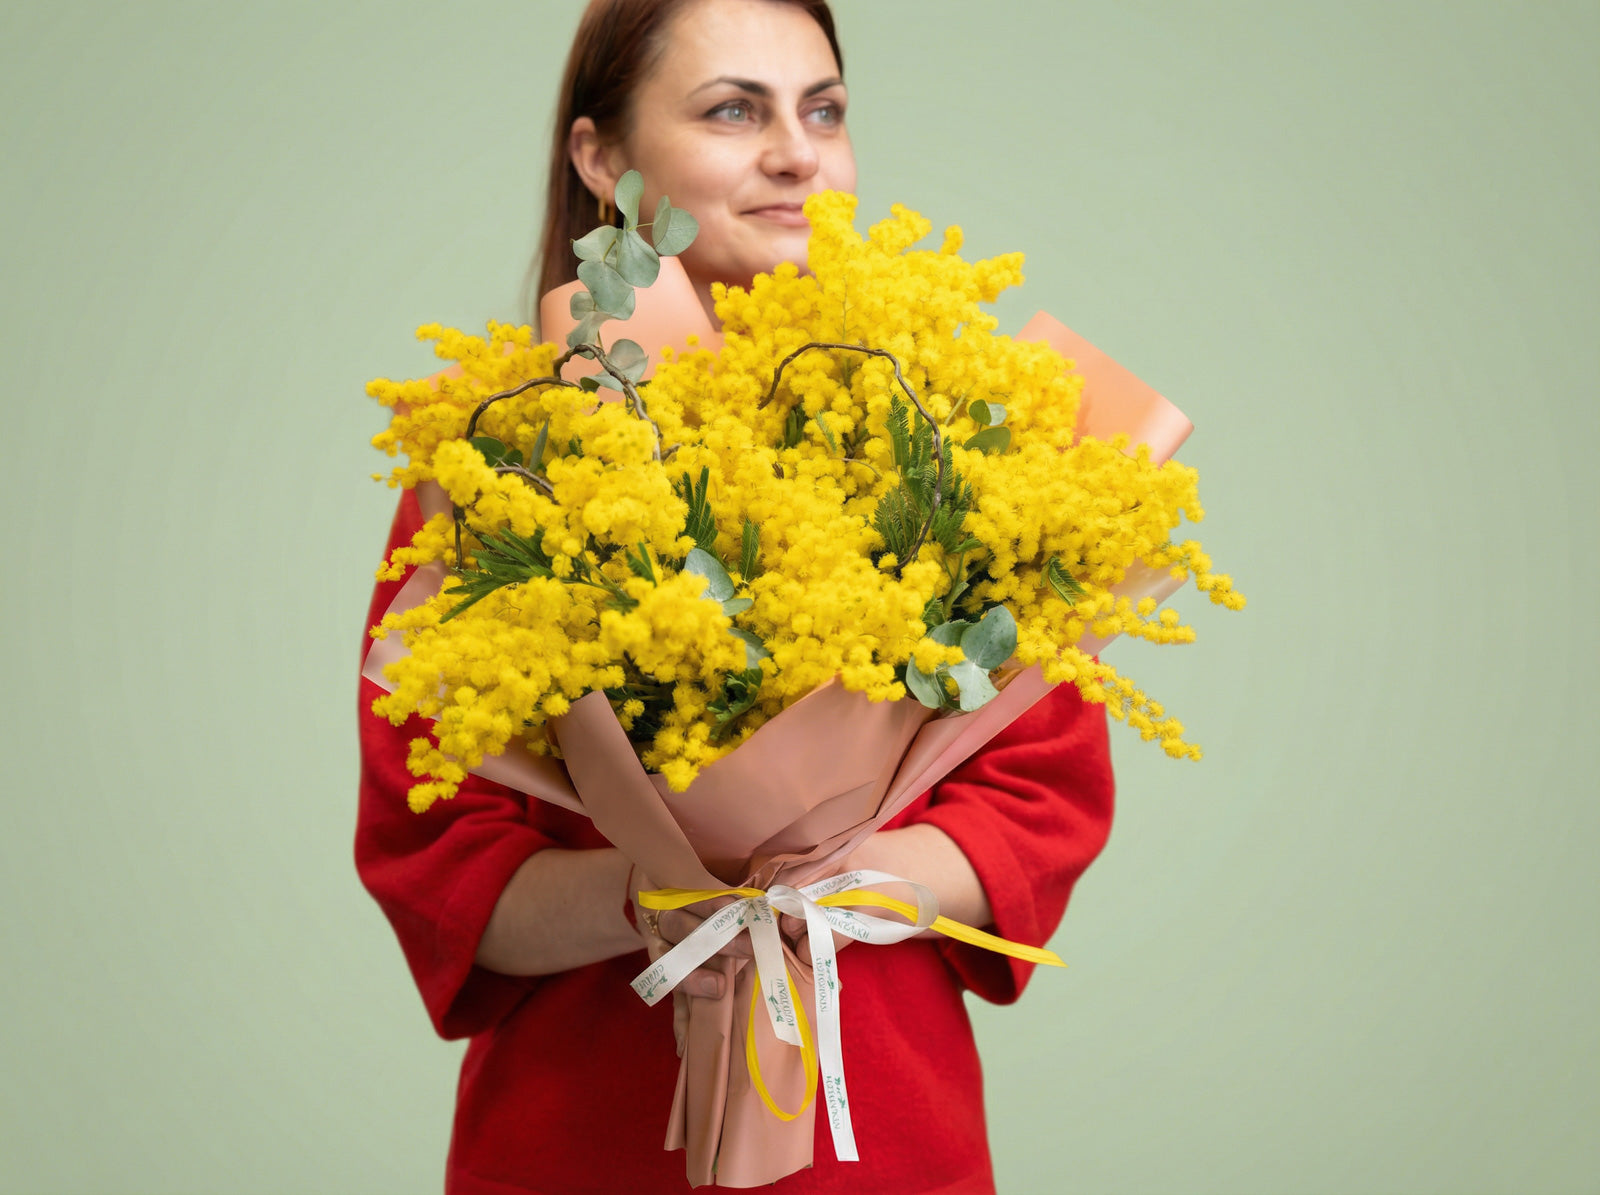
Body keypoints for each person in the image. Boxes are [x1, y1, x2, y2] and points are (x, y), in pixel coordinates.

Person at [356, 2, 1115, 1192]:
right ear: (602, 159)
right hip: (574, 1139)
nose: (795, 153)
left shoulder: (969, 449)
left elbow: (1039, 797)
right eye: (732, 111)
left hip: (876, 1140)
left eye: (822, 110)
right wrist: (657, 894)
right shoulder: (492, 468)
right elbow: (442, 859)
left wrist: (838, 883)